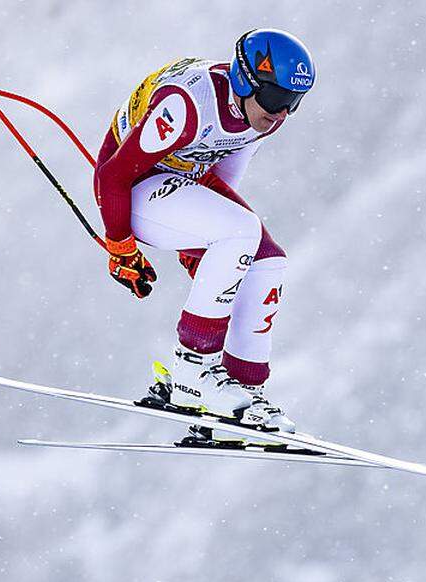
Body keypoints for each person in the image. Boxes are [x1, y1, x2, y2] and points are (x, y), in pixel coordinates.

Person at [93, 29, 315, 432]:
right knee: (240, 231)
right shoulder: (187, 105)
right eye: (276, 99)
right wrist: (121, 247)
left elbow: (219, 176)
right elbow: (113, 176)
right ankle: (192, 372)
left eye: (294, 103)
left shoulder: (262, 119)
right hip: (132, 187)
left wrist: (202, 243)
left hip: (182, 180)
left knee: (267, 261)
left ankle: (244, 391)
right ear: (247, 81)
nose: (281, 113)